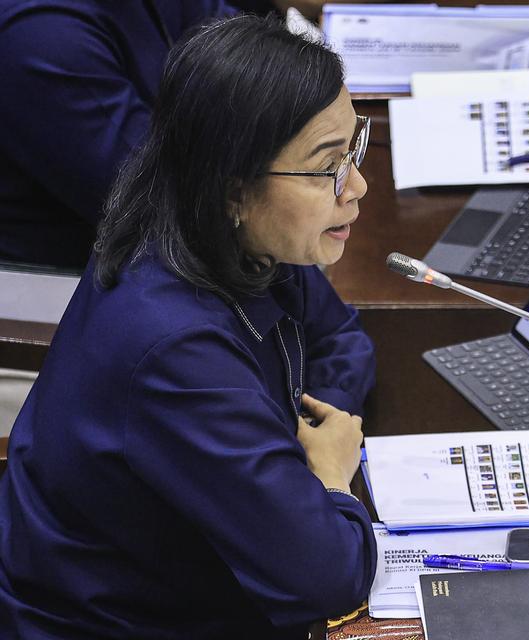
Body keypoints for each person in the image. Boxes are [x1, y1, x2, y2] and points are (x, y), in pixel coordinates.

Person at [0, 14, 377, 638]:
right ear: (234, 188)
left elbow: (343, 341)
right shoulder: (177, 347)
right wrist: (329, 477)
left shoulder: (227, 228)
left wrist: (301, 447)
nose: (356, 187)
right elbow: (328, 574)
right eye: (326, 166)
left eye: (353, 149)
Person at [0, 0, 323, 269]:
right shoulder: (39, 36)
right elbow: (159, 195)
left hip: (192, 243)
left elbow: (255, 54)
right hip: (82, 283)